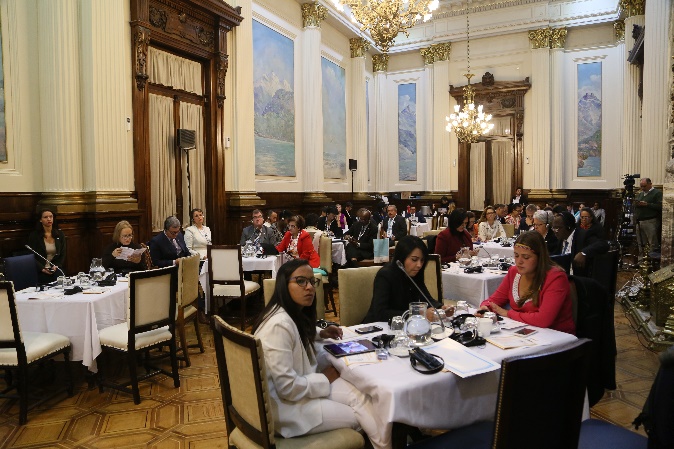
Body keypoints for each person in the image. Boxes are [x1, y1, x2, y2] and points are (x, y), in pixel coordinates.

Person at [253, 259, 390, 449]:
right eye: (301, 281)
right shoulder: (278, 325)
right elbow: (287, 388)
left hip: (293, 396)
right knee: (361, 415)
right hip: (285, 410)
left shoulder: (285, 314)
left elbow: (295, 334)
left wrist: (320, 333)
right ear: (284, 285)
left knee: (361, 398)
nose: (309, 287)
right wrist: (324, 378)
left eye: (312, 281)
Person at [479, 231, 575, 335]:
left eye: (526, 257)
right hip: (524, 331)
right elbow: (493, 300)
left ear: (539, 257)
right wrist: (486, 308)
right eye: (516, 255)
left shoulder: (556, 278)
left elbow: (543, 320)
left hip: (556, 336)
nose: (519, 261)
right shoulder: (514, 272)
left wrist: (508, 313)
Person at [363, 235, 450, 323]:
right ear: (401, 258)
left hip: (406, 326)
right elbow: (380, 313)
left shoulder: (415, 273)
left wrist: (441, 308)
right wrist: (418, 314)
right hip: (379, 327)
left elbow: (426, 298)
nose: (419, 265)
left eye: (422, 260)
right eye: (414, 259)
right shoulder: (385, 275)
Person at [27, 208, 66, 284]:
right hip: (40, 270)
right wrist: (42, 268)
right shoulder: (34, 236)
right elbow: (31, 256)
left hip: (55, 268)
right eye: (45, 217)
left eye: (51, 216)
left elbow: (62, 254)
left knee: (61, 280)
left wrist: (56, 266)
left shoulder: (60, 234)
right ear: (40, 220)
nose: (49, 219)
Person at [634, 177, 663, 254]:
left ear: (650, 184)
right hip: (640, 221)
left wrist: (647, 204)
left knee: (652, 242)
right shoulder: (640, 194)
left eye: (644, 186)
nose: (642, 188)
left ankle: (652, 261)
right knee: (641, 243)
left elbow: (660, 206)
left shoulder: (657, 193)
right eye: (641, 186)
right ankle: (642, 260)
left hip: (650, 221)